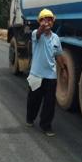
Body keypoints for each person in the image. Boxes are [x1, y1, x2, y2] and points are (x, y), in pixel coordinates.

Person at [26, 8, 67, 137]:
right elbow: (39, 33)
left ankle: (46, 125)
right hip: (36, 75)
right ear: (39, 22)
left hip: (51, 75)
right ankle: (30, 118)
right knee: (34, 100)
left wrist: (63, 69)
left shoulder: (56, 38)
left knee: (49, 103)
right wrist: (41, 28)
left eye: (49, 20)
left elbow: (58, 55)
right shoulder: (36, 34)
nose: (47, 22)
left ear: (53, 22)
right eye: (44, 20)